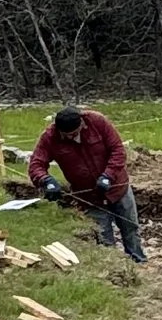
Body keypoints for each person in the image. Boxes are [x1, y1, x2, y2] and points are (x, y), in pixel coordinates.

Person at [28, 101, 146, 264]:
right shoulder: (50, 137)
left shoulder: (97, 122)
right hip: (90, 198)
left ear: (82, 124)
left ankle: (139, 262)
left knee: (130, 229)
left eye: (73, 133)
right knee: (103, 237)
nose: (70, 137)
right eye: (66, 135)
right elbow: (36, 165)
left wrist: (108, 175)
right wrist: (45, 180)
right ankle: (114, 268)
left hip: (118, 189)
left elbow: (117, 150)